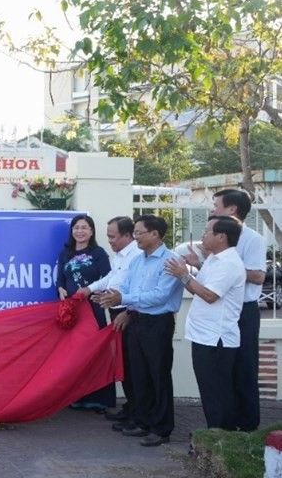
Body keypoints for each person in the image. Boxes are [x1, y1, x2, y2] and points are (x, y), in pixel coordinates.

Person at [184, 189, 267, 431]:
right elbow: (212, 281)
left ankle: (248, 425)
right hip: (219, 310)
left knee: (244, 369)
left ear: (232, 210)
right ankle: (224, 426)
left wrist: (233, 272)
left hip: (243, 310)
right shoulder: (216, 253)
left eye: (216, 205)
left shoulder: (252, 239)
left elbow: (259, 276)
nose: (212, 210)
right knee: (220, 376)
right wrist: (200, 264)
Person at [98, 215, 185, 446]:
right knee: (139, 374)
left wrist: (123, 297)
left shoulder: (170, 261)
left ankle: (162, 428)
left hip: (158, 323)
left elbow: (160, 296)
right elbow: (125, 287)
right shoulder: (138, 261)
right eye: (134, 233)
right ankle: (142, 420)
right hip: (136, 320)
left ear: (155, 234)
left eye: (139, 233)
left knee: (158, 375)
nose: (135, 237)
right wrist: (116, 298)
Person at [166, 216, 246, 429]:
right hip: (204, 335)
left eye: (207, 231)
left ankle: (221, 436)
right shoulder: (214, 259)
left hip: (217, 338)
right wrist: (196, 266)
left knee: (217, 390)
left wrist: (183, 275)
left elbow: (210, 295)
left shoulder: (229, 263)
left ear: (221, 237)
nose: (203, 235)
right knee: (209, 389)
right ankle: (216, 433)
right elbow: (205, 284)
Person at [78, 216, 143, 424]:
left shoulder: (137, 256)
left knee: (135, 365)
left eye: (112, 237)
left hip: (130, 313)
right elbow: (110, 278)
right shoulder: (119, 256)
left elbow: (140, 288)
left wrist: (129, 312)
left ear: (127, 235)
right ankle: (131, 408)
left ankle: (139, 413)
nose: (110, 241)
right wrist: (91, 289)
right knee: (123, 363)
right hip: (116, 311)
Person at [56, 214, 113, 412]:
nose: (80, 231)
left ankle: (99, 399)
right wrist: (61, 289)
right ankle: (76, 396)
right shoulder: (66, 253)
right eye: (76, 227)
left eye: (84, 228)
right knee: (75, 353)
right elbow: (60, 279)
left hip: (93, 308)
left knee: (95, 351)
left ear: (91, 231)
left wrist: (94, 293)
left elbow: (108, 278)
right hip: (72, 311)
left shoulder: (98, 253)